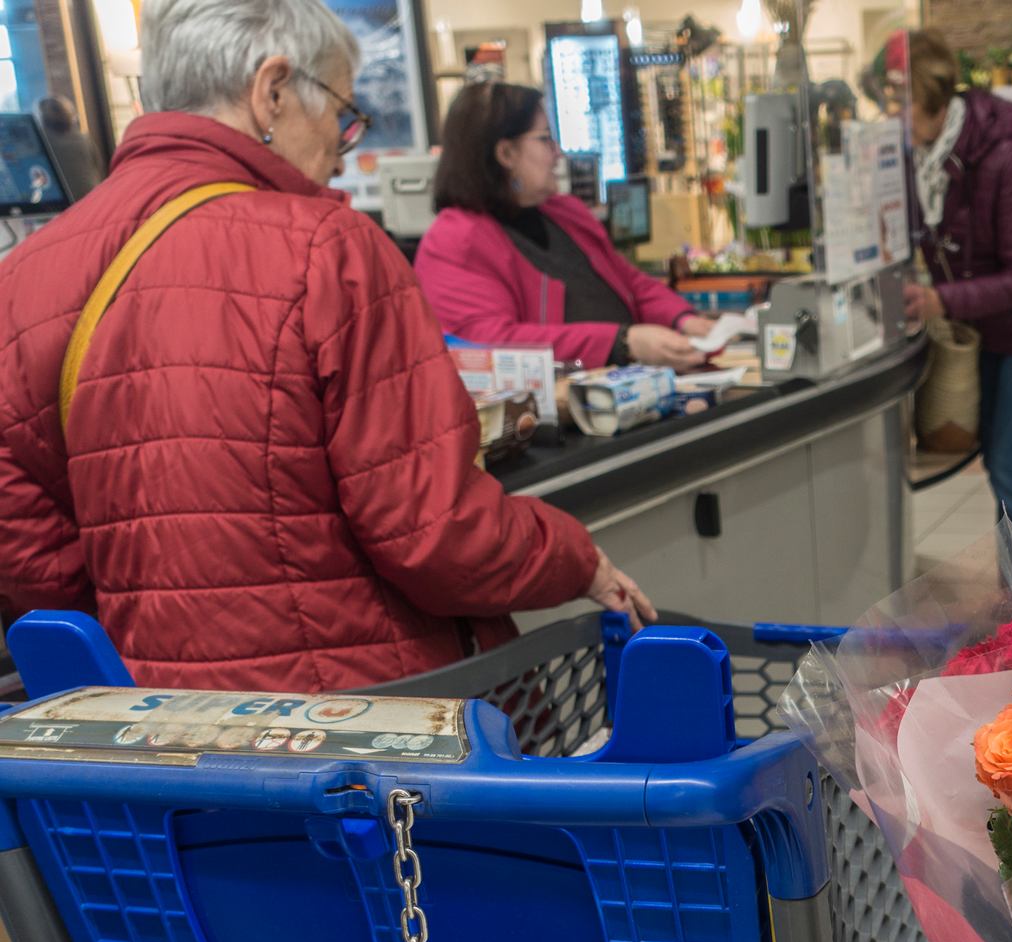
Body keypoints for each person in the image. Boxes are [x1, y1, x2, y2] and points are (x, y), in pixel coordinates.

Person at [0, 0, 651, 692]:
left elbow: (21, 536)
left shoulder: (24, 276)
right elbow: (434, 529)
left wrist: (152, 621)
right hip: (367, 727)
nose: (344, 150)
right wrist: (574, 559)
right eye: (341, 113)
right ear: (271, 91)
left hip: (160, 745)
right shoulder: (328, 250)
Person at [414, 81, 712, 372]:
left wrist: (683, 319)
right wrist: (622, 342)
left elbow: (631, 283)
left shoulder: (565, 212)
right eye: (545, 139)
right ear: (505, 154)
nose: (558, 153)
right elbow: (491, 344)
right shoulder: (455, 242)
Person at [901, 30, 1012, 561]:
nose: (891, 116)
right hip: (988, 328)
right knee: (1000, 465)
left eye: (898, 100)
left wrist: (941, 302)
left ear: (928, 97)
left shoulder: (1001, 156)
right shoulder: (925, 158)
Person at [35, 96, 104, 199]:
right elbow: (99, 170)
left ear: (43, 119)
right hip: (94, 199)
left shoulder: (42, 143)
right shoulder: (84, 140)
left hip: (65, 205)